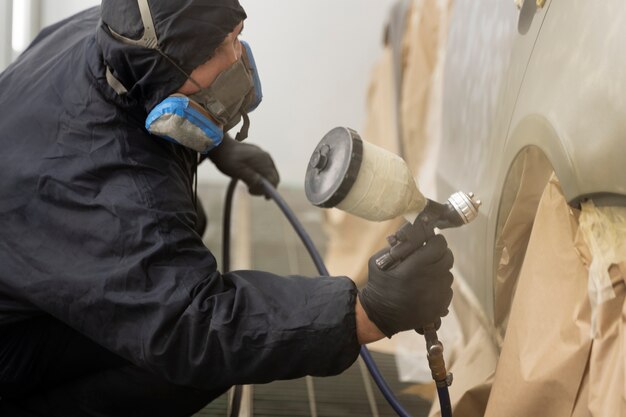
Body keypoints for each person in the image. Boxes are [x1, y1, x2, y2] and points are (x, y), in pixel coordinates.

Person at [0, 1, 454, 416]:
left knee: (186, 219)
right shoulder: (107, 188)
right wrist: (363, 314)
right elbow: (192, 325)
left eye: (237, 34)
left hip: (25, 261)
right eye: (221, 47)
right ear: (166, 66)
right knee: (191, 362)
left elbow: (146, 87)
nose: (238, 57)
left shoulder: (120, 34)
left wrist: (212, 144)